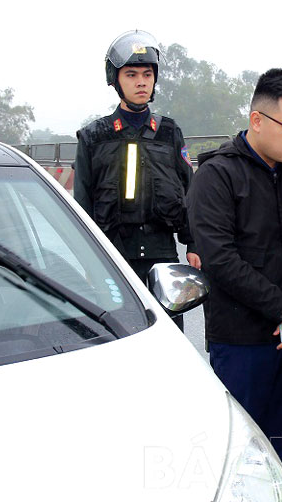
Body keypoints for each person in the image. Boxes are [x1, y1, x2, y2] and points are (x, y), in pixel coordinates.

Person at [186, 68, 282, 478]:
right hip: (243, 340)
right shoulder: (217, 176)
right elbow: (220, 259)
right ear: (257, 120)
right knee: (243, 454)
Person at [73, 29, 199, 330]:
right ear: (116, 79)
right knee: (118, 333)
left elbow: (188, 189)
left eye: (147, 74)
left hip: (163, 253)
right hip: (113, 255)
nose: (141, 82)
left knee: (169, 333)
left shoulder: (169, 132)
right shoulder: (94, 137)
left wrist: (194, 243)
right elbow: (83, 200)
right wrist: (88, 259)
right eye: (131, 74)